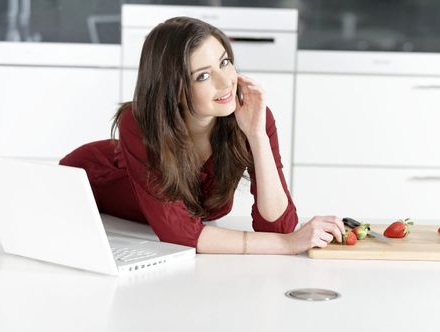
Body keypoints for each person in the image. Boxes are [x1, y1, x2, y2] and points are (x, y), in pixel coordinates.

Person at [60, 16, 344, 254]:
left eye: (224, 63)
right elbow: (179, 234)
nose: (225, 83)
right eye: (202, 76)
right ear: (173, 89)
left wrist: (257, 135)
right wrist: (287, 245)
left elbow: (277, 225)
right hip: (83, 185)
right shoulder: (139, 123)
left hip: (132, 222)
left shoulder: (250, 115)